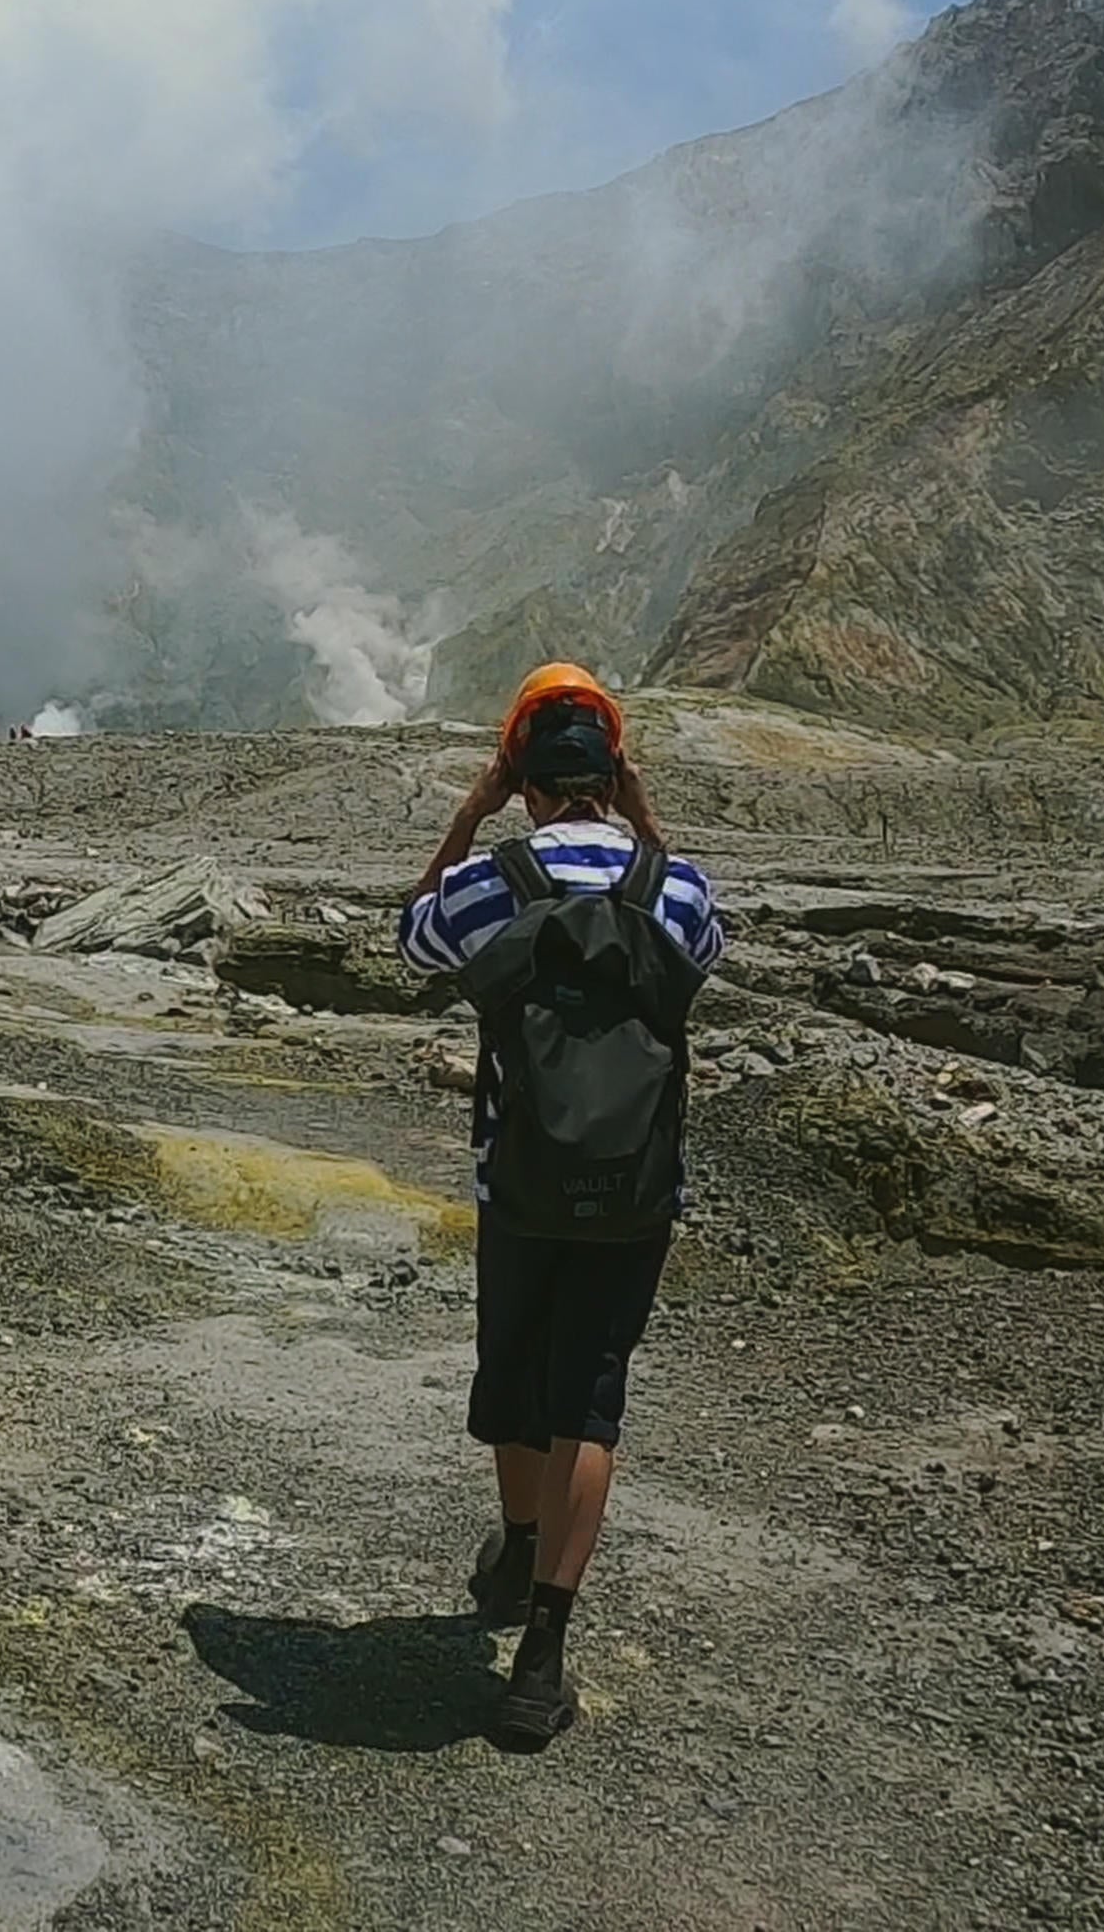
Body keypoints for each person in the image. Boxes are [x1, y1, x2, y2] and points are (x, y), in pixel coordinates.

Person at [398, 664, 726, 1751]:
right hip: (637, 1187)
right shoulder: (675, 886)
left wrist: (469, 811)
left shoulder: (493, 878)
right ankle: (540, 1657)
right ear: (613, 769)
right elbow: (703, 954)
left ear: (521, 774)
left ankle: (514, 1538)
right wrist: (644, 817)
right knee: (592, 1394)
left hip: (521, 1177)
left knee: (517, 1372)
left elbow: (411, 937)